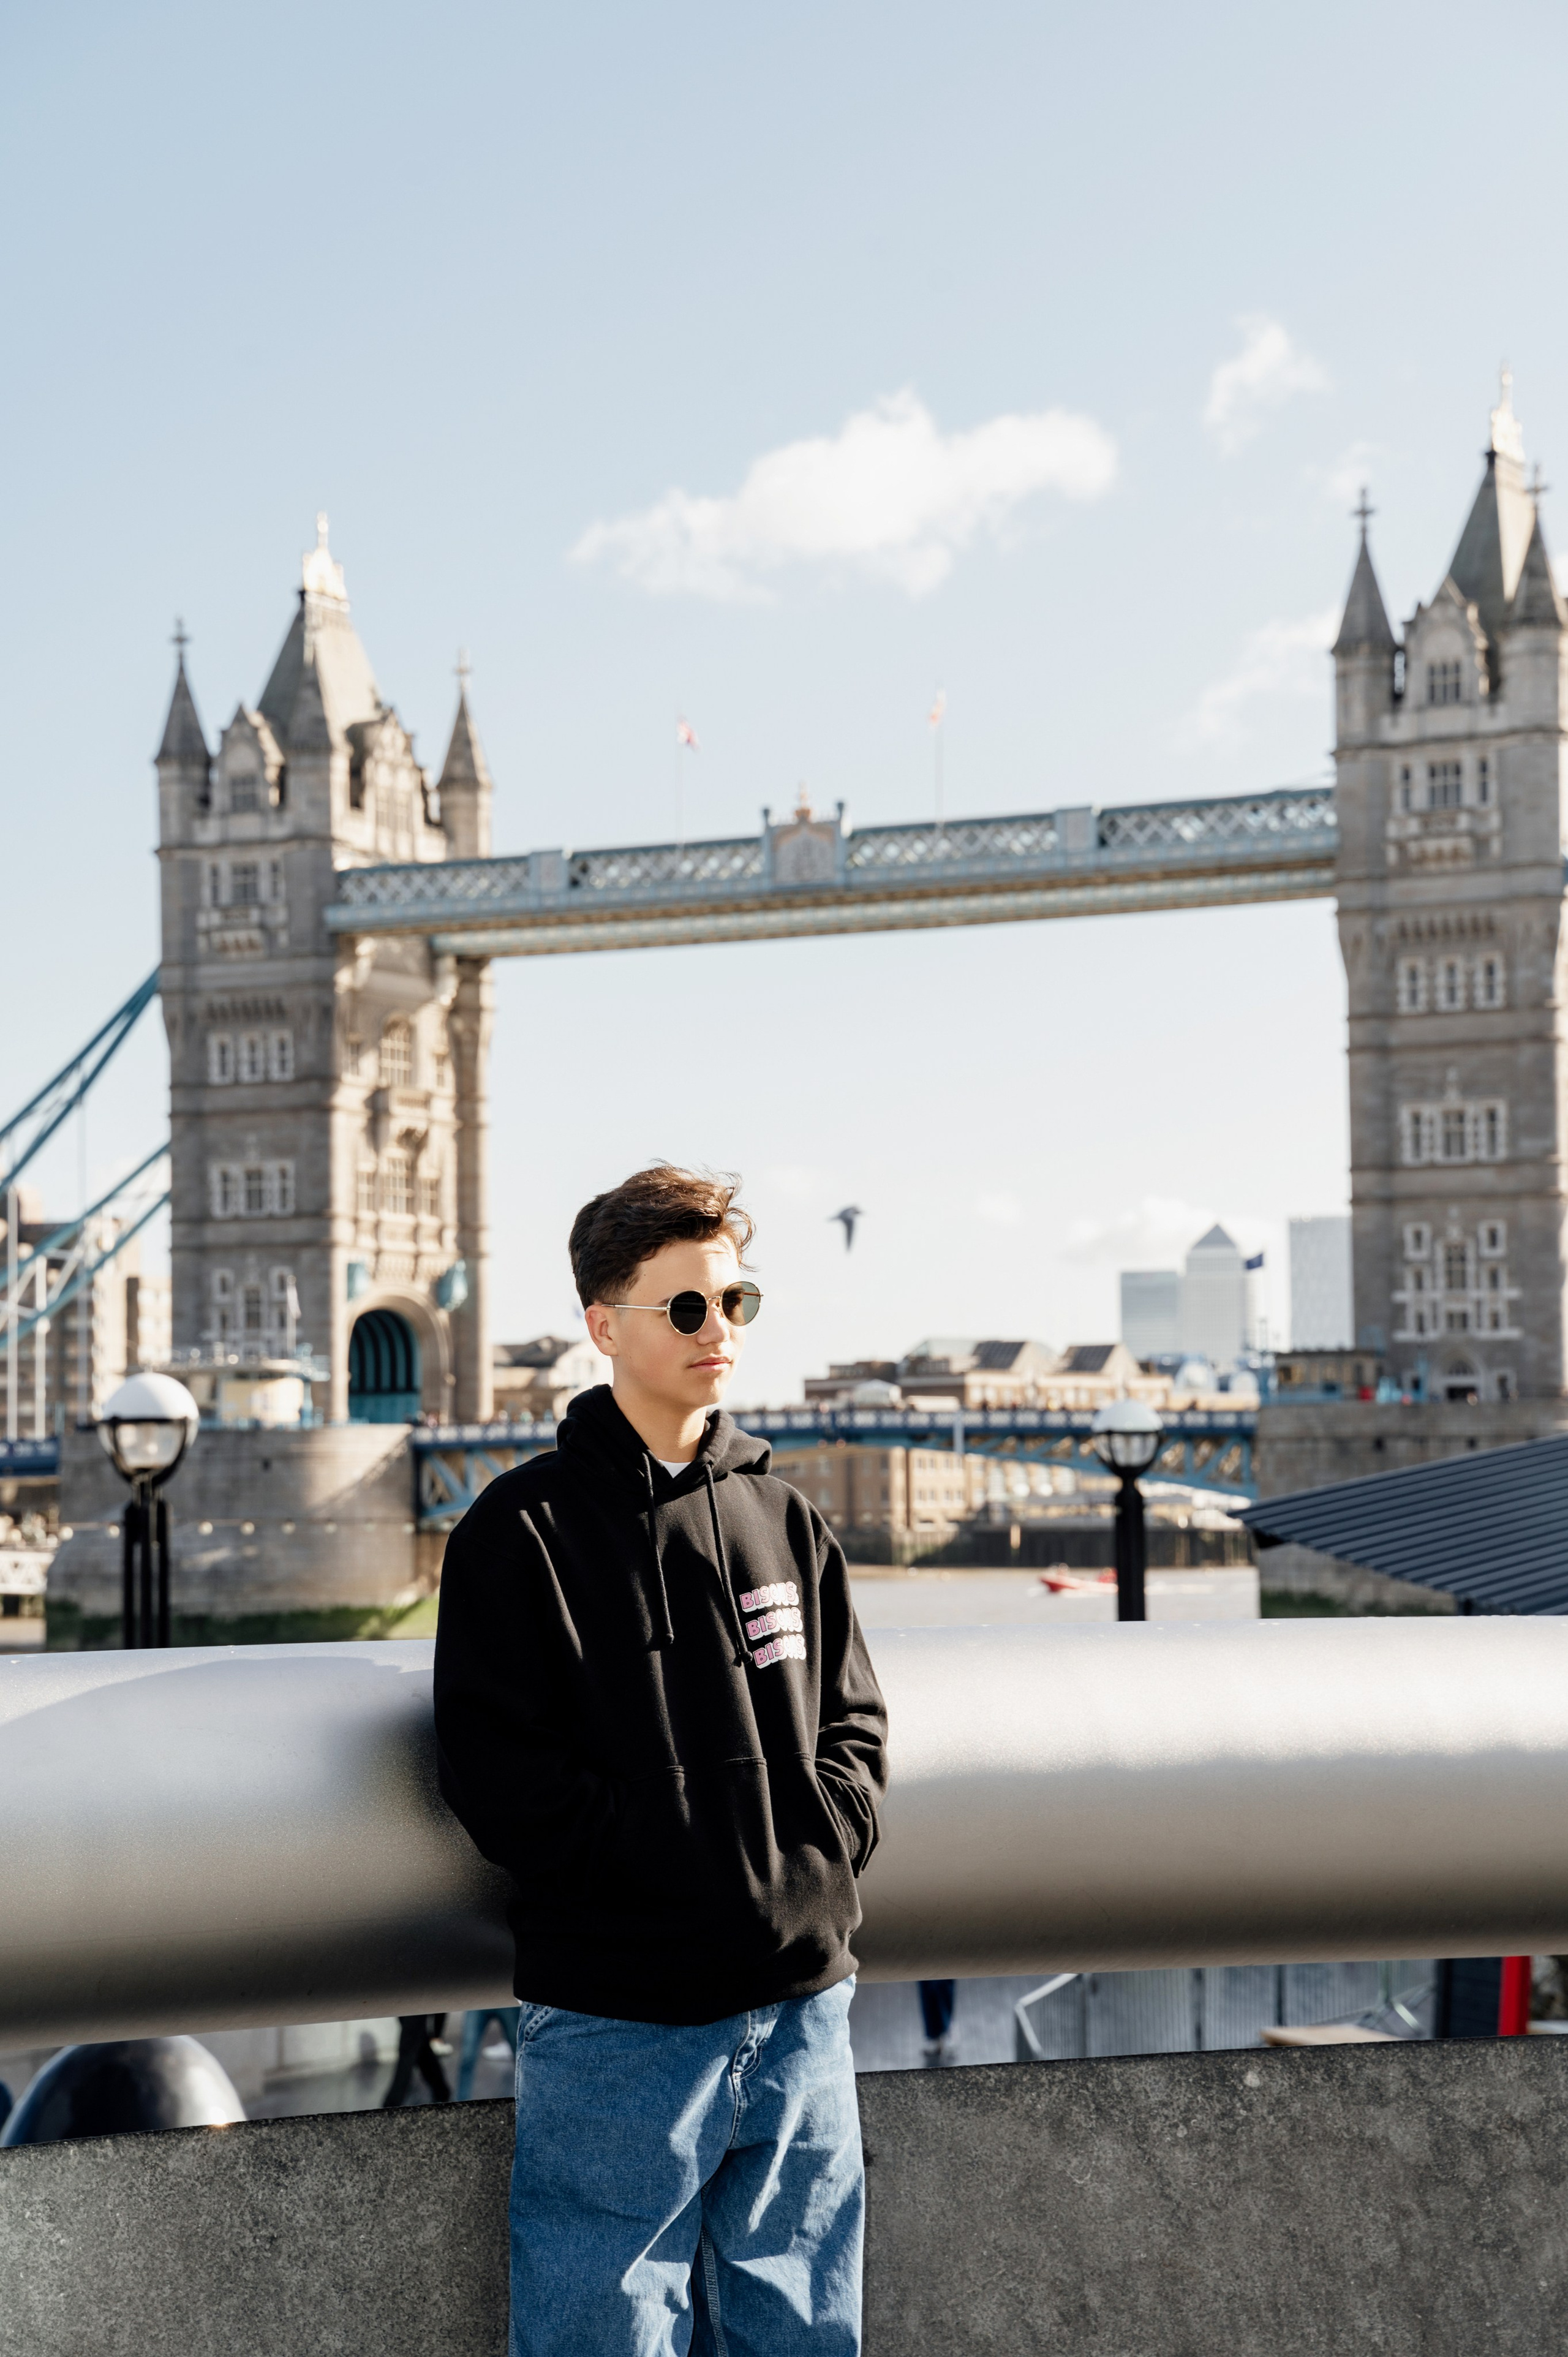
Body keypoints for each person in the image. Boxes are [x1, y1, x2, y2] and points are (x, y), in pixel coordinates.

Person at [434, 1164, 889, 2357]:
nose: (717, 1328)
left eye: (736, 1300)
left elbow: (853, 1726)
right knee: (605, 2338)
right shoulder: (516, 1535)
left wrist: (811, 1858)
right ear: (604, 1326)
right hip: (619, 2021)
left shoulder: (786, 1519)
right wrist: (663, 1872)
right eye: (685, 1305)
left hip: (800, 2003)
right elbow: (497, 1776)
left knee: (803, 2333)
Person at [382, 2013, 452, 2108]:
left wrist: (437, 2031)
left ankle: (390, 2106)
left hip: (415, 2006)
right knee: (420, 2044)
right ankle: (441, 2091)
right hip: (402, 2007)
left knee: (408, 2048)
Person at [455, 2004, 521, 2101]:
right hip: (477, 2001)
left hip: (505, 2002)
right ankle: (461, 2101)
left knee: (520, 2055)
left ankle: (528, 2099)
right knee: (468, 2056)